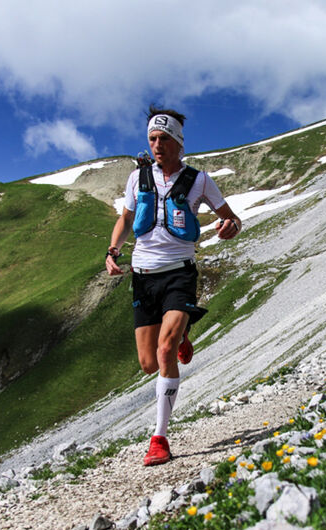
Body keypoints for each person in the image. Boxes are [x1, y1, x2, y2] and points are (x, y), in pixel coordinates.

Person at [105, 106, 242, 466]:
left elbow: (230, 218)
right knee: (149, 363)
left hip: (180, 273)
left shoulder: (199, 180)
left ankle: (160, 438)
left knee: (165, 353)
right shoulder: (138, 179)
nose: (157, 145)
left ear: (179, 143)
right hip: (142, 277)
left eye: (164, 138)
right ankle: (181, 335)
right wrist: (112, 251)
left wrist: (231, 226)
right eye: (152, 138)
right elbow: (127, 218)